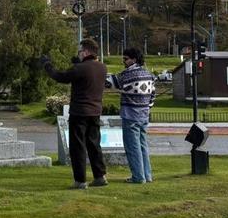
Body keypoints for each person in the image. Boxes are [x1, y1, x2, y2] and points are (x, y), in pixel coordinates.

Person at [42, 38, 108, 189]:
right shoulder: (102, 67)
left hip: (80, 112)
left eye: (79, 51)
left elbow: (60, 76)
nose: (78, 54)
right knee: (94, 144)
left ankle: (80, 180)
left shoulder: (80, 68)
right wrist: (78, 64)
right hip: (95, 111)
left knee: (77, 146)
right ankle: (100, 176)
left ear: (85, 51)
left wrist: (47, 65)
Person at [106, 47, 155, 184]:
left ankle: (138, 177)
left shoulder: (127, 75)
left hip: (130, 115)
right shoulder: (148, 74)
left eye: (125, 59)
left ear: (133, 59)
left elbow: (109, 83)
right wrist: (146, 107)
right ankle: (147, 175)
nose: (124, 61)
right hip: (144, 114)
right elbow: (153, 95)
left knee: (132, 148)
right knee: (143, 146)